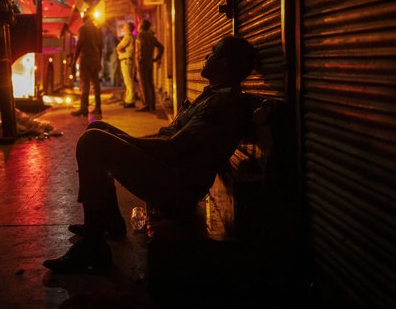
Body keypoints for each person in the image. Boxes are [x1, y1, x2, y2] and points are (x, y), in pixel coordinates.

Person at [43, 35, 256, 273]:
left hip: (177, 188)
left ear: (224, 64)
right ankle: (110, 220)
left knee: (92, 142)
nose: (207, 56)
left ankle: (94, 244)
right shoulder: (213, 95)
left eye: (213, 52)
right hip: (169, 172)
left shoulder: (222, 104)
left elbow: (175, 148)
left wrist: (129, 142)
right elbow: (170, 139)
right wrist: (130, 142)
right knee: (97, 128)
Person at [71, 10, 103, 116]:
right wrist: (99, 60)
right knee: (96, 85)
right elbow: (101, 46)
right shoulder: (97, 30)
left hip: (86, 60)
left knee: (85, 85)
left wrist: (74, 61)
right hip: (95, 59)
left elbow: (79, 44)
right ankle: (98, 107)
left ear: (84, 18)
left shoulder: (83, 28)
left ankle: (84, 108)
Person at [135, 19, 164, 112]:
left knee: (143, 83)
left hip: (142, 62)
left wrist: (139, 59)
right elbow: (161, 47)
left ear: (141, 26)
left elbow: (141, 48)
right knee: (150, 83)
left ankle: (146, 104)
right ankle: (152, 105)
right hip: (149, 61)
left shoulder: (140, 35)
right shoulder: (151, 36)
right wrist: (156, 58)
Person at [116, 22, 136, 108]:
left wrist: (118, 49)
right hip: (128, 61)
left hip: (126, 61)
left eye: (125, 26)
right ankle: (128, 99)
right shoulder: (131, 37)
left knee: (128, 81)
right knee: (128, 81)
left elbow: (119, 47)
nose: (123, 27)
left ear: (128, 28)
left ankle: (130, 100)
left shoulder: (128, 37)